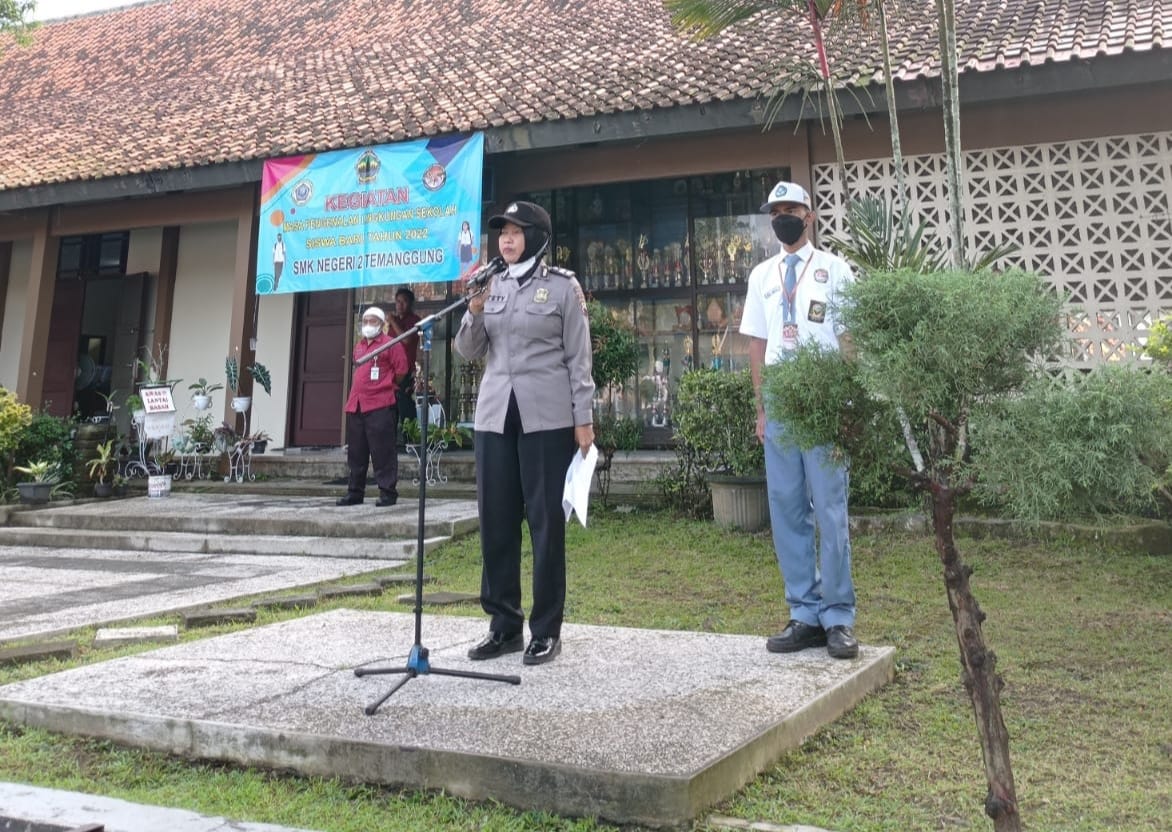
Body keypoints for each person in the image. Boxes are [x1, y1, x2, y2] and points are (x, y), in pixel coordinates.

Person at [454, 200, 595, 666]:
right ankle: (503, 625)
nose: (506, 240)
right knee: (495, 520)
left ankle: (546, 629)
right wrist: (474, 309)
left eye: (515, 232)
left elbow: (579, 358)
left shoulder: (561, 287)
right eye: (502, 233)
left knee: (545, 524)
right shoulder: (489, 284)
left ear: (536, 236)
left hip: (547, 419)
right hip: (495, 416)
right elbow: (467, 351)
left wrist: (584, 419)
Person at [739, 180, 859, 660]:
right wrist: (762, 407)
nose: (781, 218)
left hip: (824, 400)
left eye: (790, 210)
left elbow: (849, 339)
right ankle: (804, 613)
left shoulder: (835, 269)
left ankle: (839, 617)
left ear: (808, 215)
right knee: (787, 509)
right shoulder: (762, 275)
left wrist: (850, 406)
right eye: (775, 212)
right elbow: (757, 344)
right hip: (783, 402)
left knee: (830, 510)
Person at [337, 306, 409, 507]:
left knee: (383, 451)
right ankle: (354, 492)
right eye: (365, 321)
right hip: (357, 404)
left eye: (373, 321)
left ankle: (387, 493)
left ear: (381, 324)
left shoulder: (390, 344)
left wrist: (385, 384)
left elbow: (402, 370)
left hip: (380, 404)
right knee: (356, 453)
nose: (368, 325)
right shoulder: (359, 346)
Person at [387, 287, 421, 427]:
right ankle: (391, 443)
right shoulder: (394, 321)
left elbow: (406, 340)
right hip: (391, 370)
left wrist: (393, 321)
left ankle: (410, 441)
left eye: (404, 302)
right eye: (398, 301)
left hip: (405, 370)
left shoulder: (414, 320)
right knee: (390, 407)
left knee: (405, 405)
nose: (400, 305)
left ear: (410, 304)